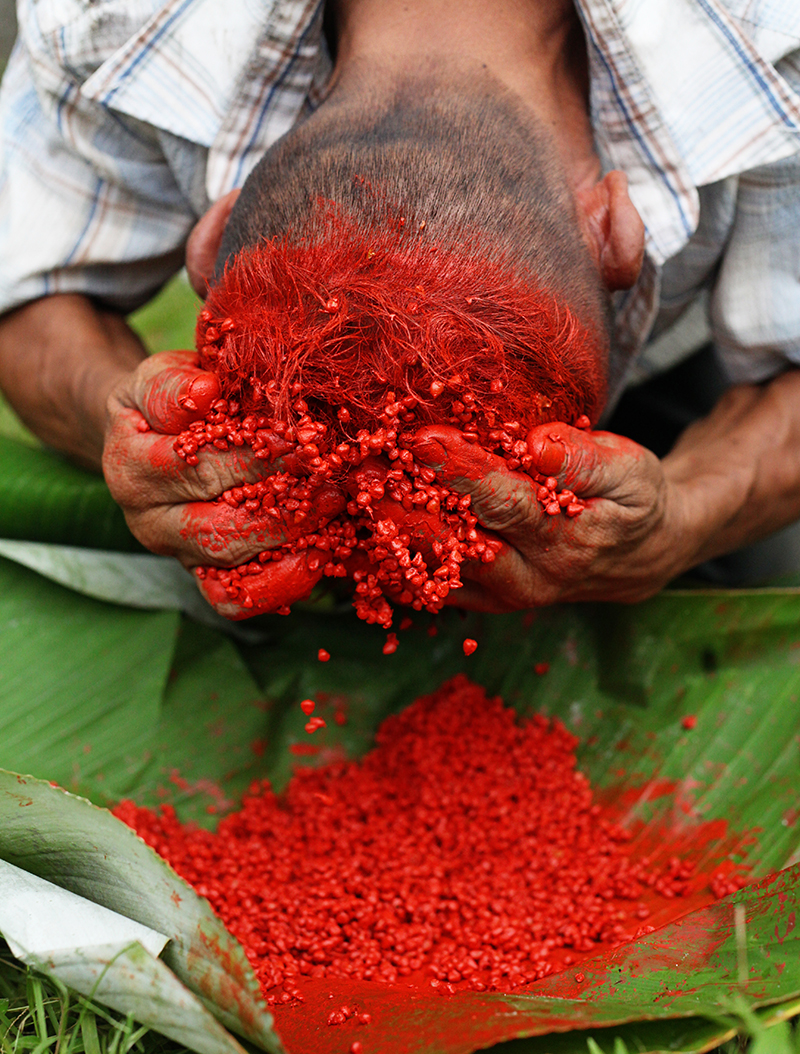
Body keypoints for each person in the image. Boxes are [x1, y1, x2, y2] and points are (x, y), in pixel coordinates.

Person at [2, 0, 800, 619]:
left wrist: (690, 515)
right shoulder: (116, 25)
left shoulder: (774, 55)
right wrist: (133, 431)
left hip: (693, 350)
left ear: (619, 234)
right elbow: (26, 285)